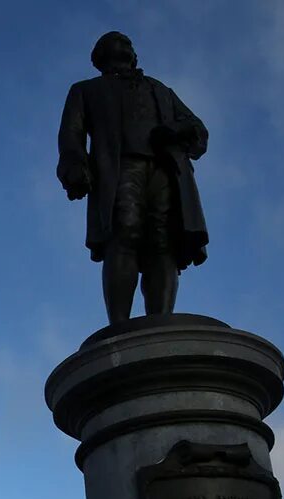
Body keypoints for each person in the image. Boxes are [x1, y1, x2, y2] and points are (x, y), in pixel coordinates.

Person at [57, 31, 209, 325]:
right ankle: (119, 325)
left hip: (166, 170)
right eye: (117, 41)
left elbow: (196, 126)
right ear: (100, 55)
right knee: (124, 233)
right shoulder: (86, 90)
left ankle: (160, 322)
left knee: (163, 244)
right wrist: (74, 166)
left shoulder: (160, 90)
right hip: (120, 167)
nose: (126, 43)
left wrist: (177, 132)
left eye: (128, 42)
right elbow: (70, 134)